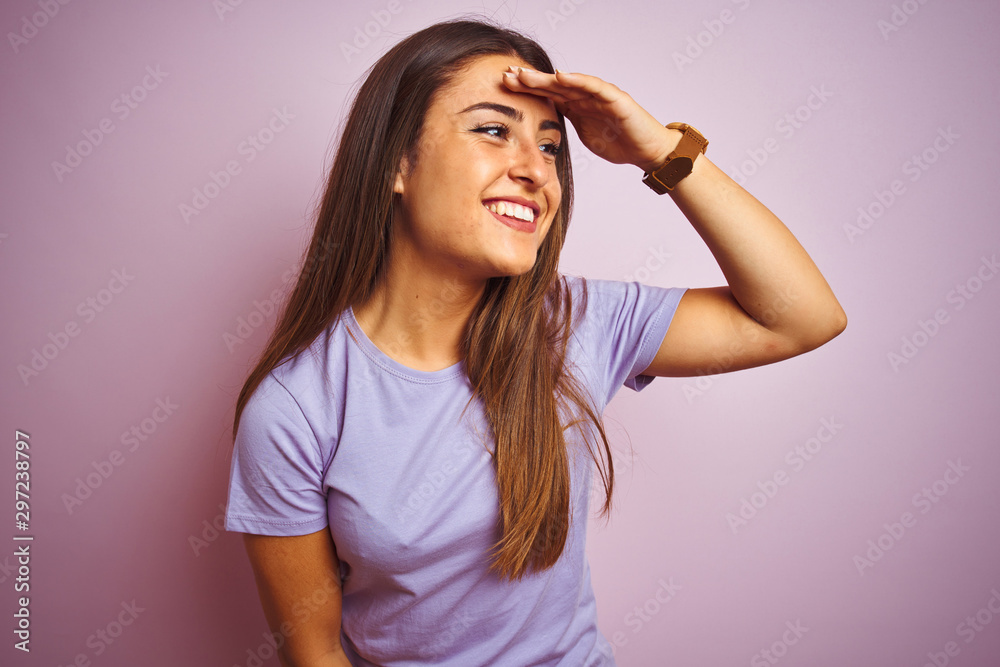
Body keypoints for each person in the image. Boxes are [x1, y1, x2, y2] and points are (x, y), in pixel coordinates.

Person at [224, 17, 846, 667]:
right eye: (494, 130)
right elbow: (315, 651)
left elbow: (801, 316)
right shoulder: (294, 410)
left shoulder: (576, 321)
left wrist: (661, 151)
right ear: (397, 163)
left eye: (550, 146)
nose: (535, 170)